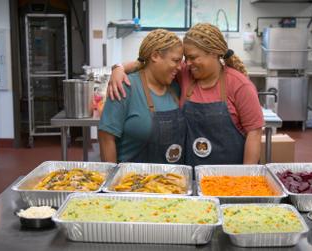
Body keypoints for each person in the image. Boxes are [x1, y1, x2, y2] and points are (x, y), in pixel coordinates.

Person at [109, 23, 264, 166]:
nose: (187, 63)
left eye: (193, 57)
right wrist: (118, 68)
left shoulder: (239, 84)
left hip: (230, 178)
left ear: (214, 53)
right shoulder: (185, 74)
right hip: (191, 175)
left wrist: (247, 178)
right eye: (186, 58)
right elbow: (148, 64)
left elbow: (254, 134)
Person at [98, 29, 185, 164]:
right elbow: (106, 138)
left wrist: (119, 66)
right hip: (132, 181)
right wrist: (111, 177)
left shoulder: (175, 87)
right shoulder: (125, 86)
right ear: (155, 56)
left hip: (171, 181)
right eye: (175, 60)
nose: (180, 67)